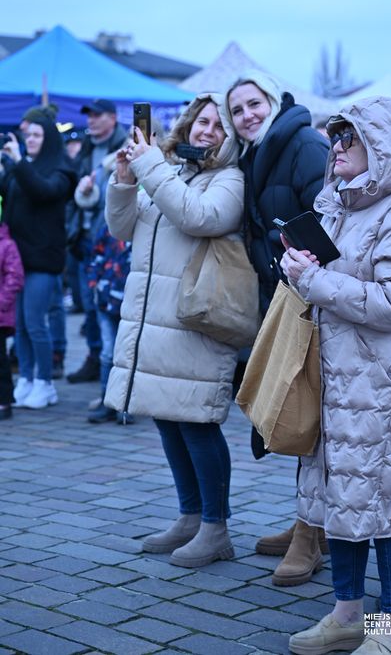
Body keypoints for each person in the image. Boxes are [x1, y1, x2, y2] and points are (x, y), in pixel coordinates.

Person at [284, 97, 391, 655]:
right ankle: (347, 613)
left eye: (350, 137)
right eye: (336, 136)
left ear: (382, 145)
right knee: (338, 499)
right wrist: (299, 267)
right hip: (335, 377)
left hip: (387, 386)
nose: (338, 147)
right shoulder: (337, 205)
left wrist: (316, 281)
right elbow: (328, 277)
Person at [104, 94, 244, 567]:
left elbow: (198, 216)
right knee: (166, 415)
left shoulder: (229, 180)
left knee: (197, 421)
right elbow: (124, 228)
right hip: (156, 316)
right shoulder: (172, 170)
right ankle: (189, 516)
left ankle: (215, 527)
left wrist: (149, 167)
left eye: (218, 125)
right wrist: (124, 182)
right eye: (201, 121)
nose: (207, 130)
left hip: (197, 319)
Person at [224, 69, 329, 586]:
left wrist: (306, 266)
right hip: (283, 295)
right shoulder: (255, 155)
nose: (247, 116)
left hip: (317, 298)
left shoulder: (305, 143)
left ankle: (314, 535)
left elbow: (328, 219)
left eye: (253, 104)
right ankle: (306, 520)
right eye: (237, 110)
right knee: (297, 410)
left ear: (272, 100)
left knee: (313, 414)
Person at [1, 116, 77, 409]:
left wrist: (18, 162)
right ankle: (27, 380)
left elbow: (42, 191)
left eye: (36, 135)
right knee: (19, 325)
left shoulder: (61, 169)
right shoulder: (23, 166)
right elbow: (6, 193)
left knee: (35, 324)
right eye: (27, 135)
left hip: (43, 258)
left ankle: (45, 383)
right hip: (16, 259)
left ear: (48, 138)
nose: (30, 139)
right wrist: (6, 163)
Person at [66, 99, 126, 384]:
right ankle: (95, 358)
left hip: (113, 241)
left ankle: (112, 368)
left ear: (113, 118)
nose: (91, 120)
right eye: (88, 115)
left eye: (97, 115)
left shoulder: (124, 147)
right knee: (89, 305)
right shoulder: (87, 148)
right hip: (85, 236)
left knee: (109, 307)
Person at [86, 224, 132, 424]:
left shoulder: (143, 229)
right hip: (105, 300)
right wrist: (94, 282)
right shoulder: (108, 228)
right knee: (107, 353)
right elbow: (96, 255)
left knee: (127, 355)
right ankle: (108, 401)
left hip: (130, 302)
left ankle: (125, 405)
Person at [0, 221, 24, 419]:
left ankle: (4, 401)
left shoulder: (6, 245)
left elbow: (15, 277)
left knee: (0, 360)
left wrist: (1, 301)